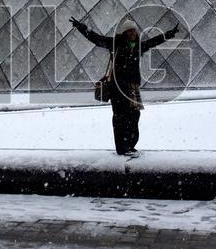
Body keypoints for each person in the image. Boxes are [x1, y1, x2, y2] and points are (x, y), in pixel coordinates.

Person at [71, 16, 178, 157]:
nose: (132, 33)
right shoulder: (116, 43)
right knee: (120, 118)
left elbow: (153, 42)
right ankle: (122, 148)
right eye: (129, 31)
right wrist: (81, 27)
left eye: (134, 31)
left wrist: (169, 34)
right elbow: (96, 39)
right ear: (125, 33)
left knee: (134, 116)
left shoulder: (138, 45)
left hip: (133, 87)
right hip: (118, 88)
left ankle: (130, 145)